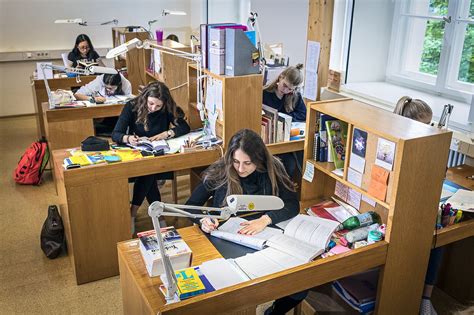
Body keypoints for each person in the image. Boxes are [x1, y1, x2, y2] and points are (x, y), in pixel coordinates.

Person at [186, 129, 305, 314]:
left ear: (259, 160)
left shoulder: (273, 168)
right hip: (225, 238)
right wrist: (203, 218)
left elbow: (291, 204)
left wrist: (266, 219)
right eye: (236, 161)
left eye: (247, 163)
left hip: (264, 236)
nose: (240, 169)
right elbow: (191, 205)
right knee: (238, 292)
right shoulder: (221, 170)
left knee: (300, 284)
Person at [112, 81, 190, 233]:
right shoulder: (132, 106)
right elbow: (116, 134)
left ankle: (133, 212)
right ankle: (157, 214)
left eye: (158, 106)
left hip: (157, 155)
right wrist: (128, 138)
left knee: (149, 172)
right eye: (151, 103)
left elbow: (184, 127)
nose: (153, 108)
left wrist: (167, 133)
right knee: (148, 173)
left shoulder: (167, 108)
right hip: (137, 153)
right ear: (145, 98)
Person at [394, 96, 438, 315]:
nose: (430, 129)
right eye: (426, 125)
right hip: (401, 212)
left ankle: (425, 298)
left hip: (418, 205)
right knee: (431, 238)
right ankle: (419, 296)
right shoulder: (399, 144)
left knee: (438, 238)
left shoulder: (425, 143)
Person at [263, 64, 306, 179]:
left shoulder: (295, 96)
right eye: (285, 85)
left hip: (287, 139)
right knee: (283, 165)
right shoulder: (265, 93)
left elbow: (303, 115)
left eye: (290, 89)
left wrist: (286, 117)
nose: (285, 90)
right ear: (280, 77)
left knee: (293, 164)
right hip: (269, 139)